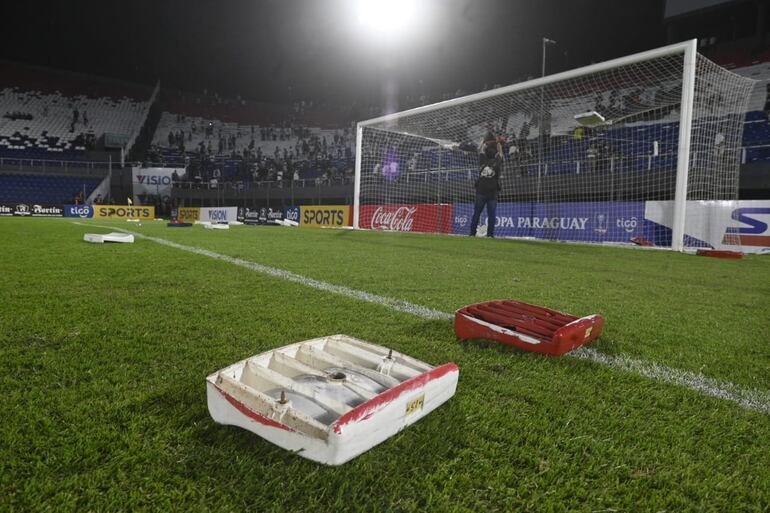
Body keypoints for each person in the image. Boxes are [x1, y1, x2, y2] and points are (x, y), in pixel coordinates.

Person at [469, 131, 504, 238]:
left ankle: (472, 234)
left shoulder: (482, 160)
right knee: (491, 215)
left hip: (481, 192)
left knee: (477, 214)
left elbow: (481, 149)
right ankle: (490, 235)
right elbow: (501, 153)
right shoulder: (496, 162)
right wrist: (498, 143)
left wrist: (484, 142)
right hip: (492, 193)